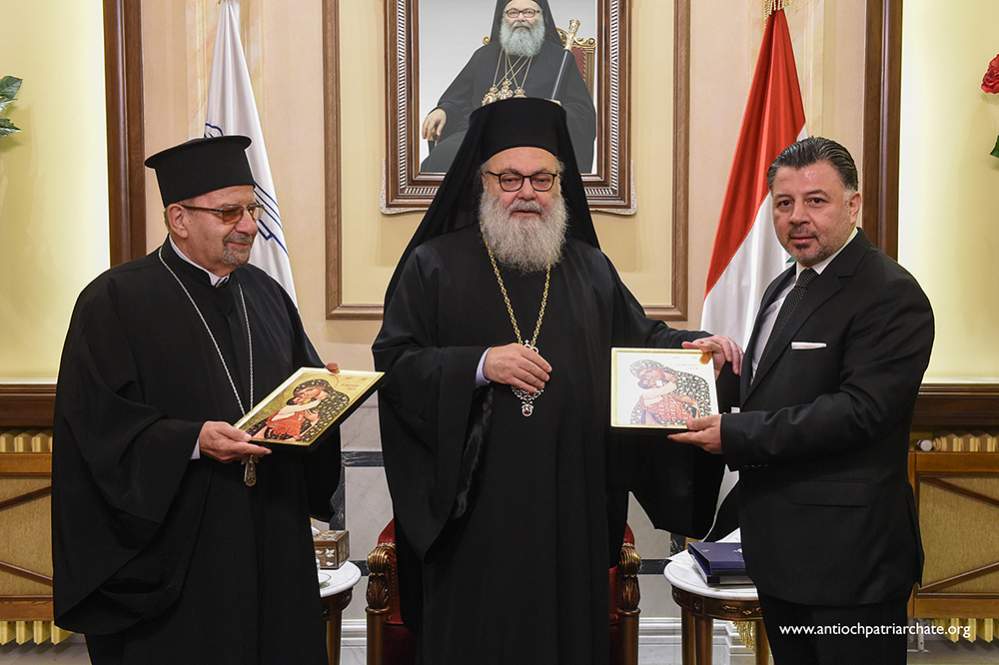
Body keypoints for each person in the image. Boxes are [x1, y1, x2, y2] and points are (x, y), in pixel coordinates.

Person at [373, 97, 741, 665]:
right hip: (475, 516)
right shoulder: (433, 266)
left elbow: (641, 340)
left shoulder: (590, 269)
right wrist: (479, 364)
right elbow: (395, 364)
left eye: (542, 179)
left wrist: (695, 351)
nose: (527, 192)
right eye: (510, 178)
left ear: (560, 185)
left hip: (572, 502)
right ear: (482, 182)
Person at [52, 136, 341, 665]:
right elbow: (96, 426)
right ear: (179, 218)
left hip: (272, 533)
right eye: (229, 212)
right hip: (182, 550)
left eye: (252, 209)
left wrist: (324, 394)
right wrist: (191, 440)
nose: (248, 225)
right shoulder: (113, 301)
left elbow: (296, 400)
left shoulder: (266, 294)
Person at [672, 137, 934, 665]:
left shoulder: (890, 293)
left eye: (816, 201)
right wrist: (722, 373)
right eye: (784, 203)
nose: (797, 217)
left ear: (853, 205)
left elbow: (861, 411)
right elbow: (783, 385)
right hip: (779, 554)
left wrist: (735, 434)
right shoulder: (784, 285)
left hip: (851, 561)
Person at [420, 0, 596, 173]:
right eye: (513, 12)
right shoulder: (483, 56)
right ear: (502, 18)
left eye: (529, 12)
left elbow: (583, 113)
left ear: (542, 18)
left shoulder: (559, 59)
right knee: (442, 156)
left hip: (532, 139)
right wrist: (443, 110)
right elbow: (459, 98)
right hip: (480, 134)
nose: (521, 18)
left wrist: (556, 111)